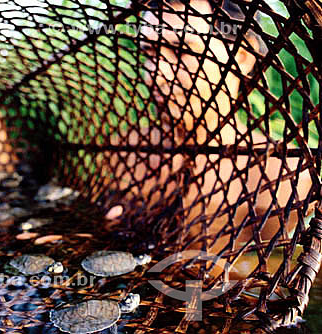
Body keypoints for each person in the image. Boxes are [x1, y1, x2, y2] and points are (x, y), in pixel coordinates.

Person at [107, 0, 313, 257]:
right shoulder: (127, 149)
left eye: (181, 51)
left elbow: (270, 271)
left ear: (242, 57)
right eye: (149, 52)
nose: (156, 73)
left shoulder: (284, 177)